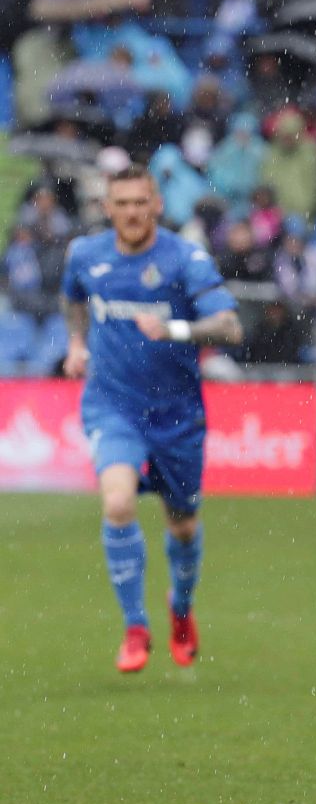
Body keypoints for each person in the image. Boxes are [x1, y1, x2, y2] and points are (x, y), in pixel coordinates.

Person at [60, 165, 244, 673]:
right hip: (112, 407)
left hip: (177, 416)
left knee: (182, 525)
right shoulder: (85, 254)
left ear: (157, 204)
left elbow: (230, 326)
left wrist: (175, 328)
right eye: (122, 203)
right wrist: (76, 344)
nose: (132, 212)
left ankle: (180, 610)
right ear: (108, 208)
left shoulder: (184, 258)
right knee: (117, 502)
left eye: (141, 202)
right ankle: (135, 627)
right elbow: (73, 299)